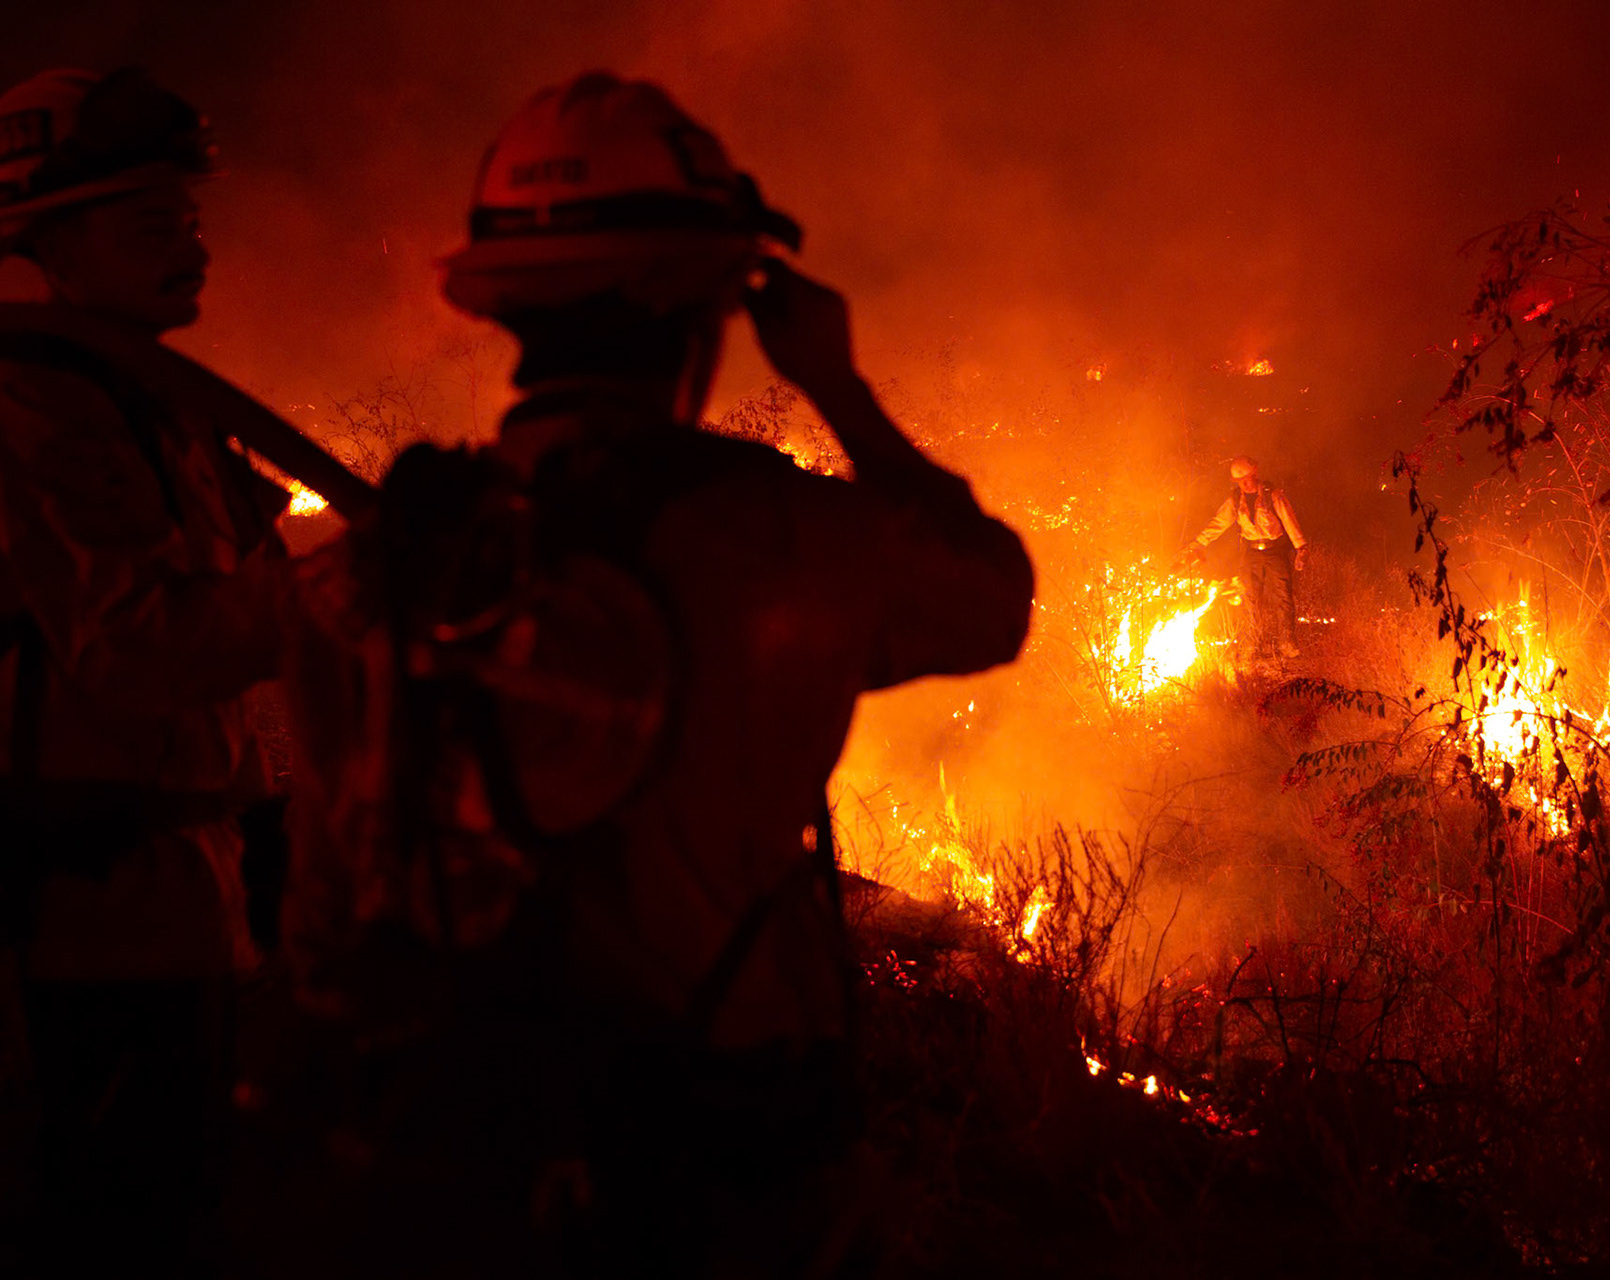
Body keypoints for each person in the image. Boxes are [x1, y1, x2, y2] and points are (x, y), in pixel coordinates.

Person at [278, 73, 1033, 1276]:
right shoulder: (773, 538)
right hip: (721, 1157)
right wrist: (838, 384)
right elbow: (992, 600)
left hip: (438, 1153)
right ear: (707, 300)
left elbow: (319, 910)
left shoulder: (367, 566)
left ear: (506, 309)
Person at [0, 68, 294, 1274]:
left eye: (190, 215)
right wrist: (343, 588)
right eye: (151, 221)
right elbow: (137, 654)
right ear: (47, 236)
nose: (193, 243)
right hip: (87, 933)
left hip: (182, 906)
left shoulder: (135, 395)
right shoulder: (37, 402)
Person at [1179, 454, 1307, 660]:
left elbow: (1289, 519)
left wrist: (1301, 548)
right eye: (1240, 481)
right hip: (1252, 554)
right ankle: (1251, 644)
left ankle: (1287, 643)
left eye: (1248, 478)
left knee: (1283, 598)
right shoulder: (1235, 500)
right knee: (1250, 599)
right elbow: (1218, 523)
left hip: (1276, 552)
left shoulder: (1272, 495)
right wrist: (1199, 543)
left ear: (1255, 475)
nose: (1245, 484)